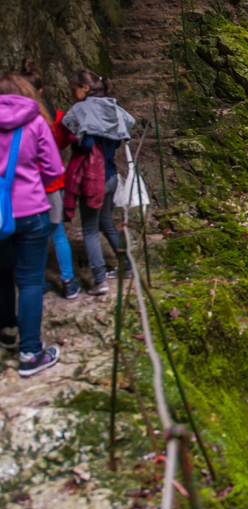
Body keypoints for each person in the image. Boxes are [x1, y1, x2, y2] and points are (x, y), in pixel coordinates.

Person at [0, 73, 64, 376]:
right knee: (28, 282)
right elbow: (53, 169)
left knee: (1, 274)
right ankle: (29, 352)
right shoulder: (35, 122)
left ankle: (6, 332)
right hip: (30, 211)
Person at [62, 70, 135, 296]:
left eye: (74, 89)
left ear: (85, 88)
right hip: (111, 175)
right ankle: (127, 264)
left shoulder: (82, 110)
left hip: (93, 178)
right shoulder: (113, 108)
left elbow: (83, 142)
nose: (73, 94)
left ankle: (100, 279)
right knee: (105, 221)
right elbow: (128, 124)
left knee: (90, 230)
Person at [19, 59, 80, 299]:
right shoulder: (55, 117)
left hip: (23, 187)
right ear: (41, 91)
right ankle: (68, 280)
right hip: (52, 185)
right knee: (57, 234)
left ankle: (35, 280)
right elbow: (63, 144)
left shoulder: (11, 121)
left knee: (30, 237)